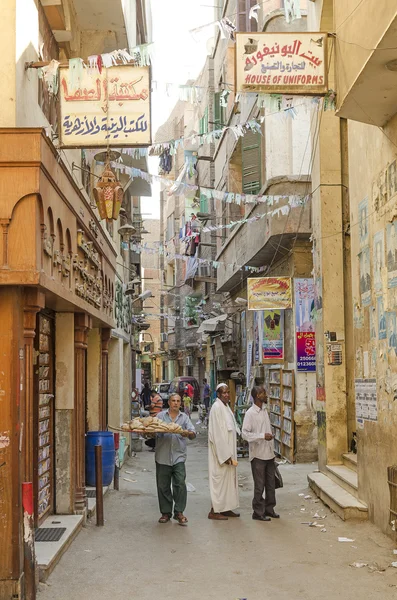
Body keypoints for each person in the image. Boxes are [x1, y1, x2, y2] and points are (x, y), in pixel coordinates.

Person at [155, 393, 196, 525]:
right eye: (173, 400)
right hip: (162, 456)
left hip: (178, 456)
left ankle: (179, 512)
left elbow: (193, 433)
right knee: (163, 486)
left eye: (178, 401)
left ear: (181, 403)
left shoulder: (184, 418)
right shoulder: (160, 417)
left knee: (180, 483)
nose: (176, 403)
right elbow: (151, 431)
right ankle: (166, 513)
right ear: (169, 403)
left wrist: (186, 433)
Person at [242, 386, 279, 521]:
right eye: (263, 393)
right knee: (259, 485)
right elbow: (245, 434)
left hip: (269, 453)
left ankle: (269, 509)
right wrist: (262, 436)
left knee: (270, 484)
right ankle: (257, 512)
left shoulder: (264, 410)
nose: (266, 395)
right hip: (258, 454)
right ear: (257, 395)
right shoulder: (250, 413)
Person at [208, 383, 239, 520]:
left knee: (229, 481)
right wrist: (225, 455)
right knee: (219, 481)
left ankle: (225, 508)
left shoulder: (226, 407)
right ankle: (214, 511)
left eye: (228, 392)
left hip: (229, 451)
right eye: (223, 393)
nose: (226, 395)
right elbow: (217, 434)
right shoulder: (216, 408)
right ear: (218, 394)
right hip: (221, 454)